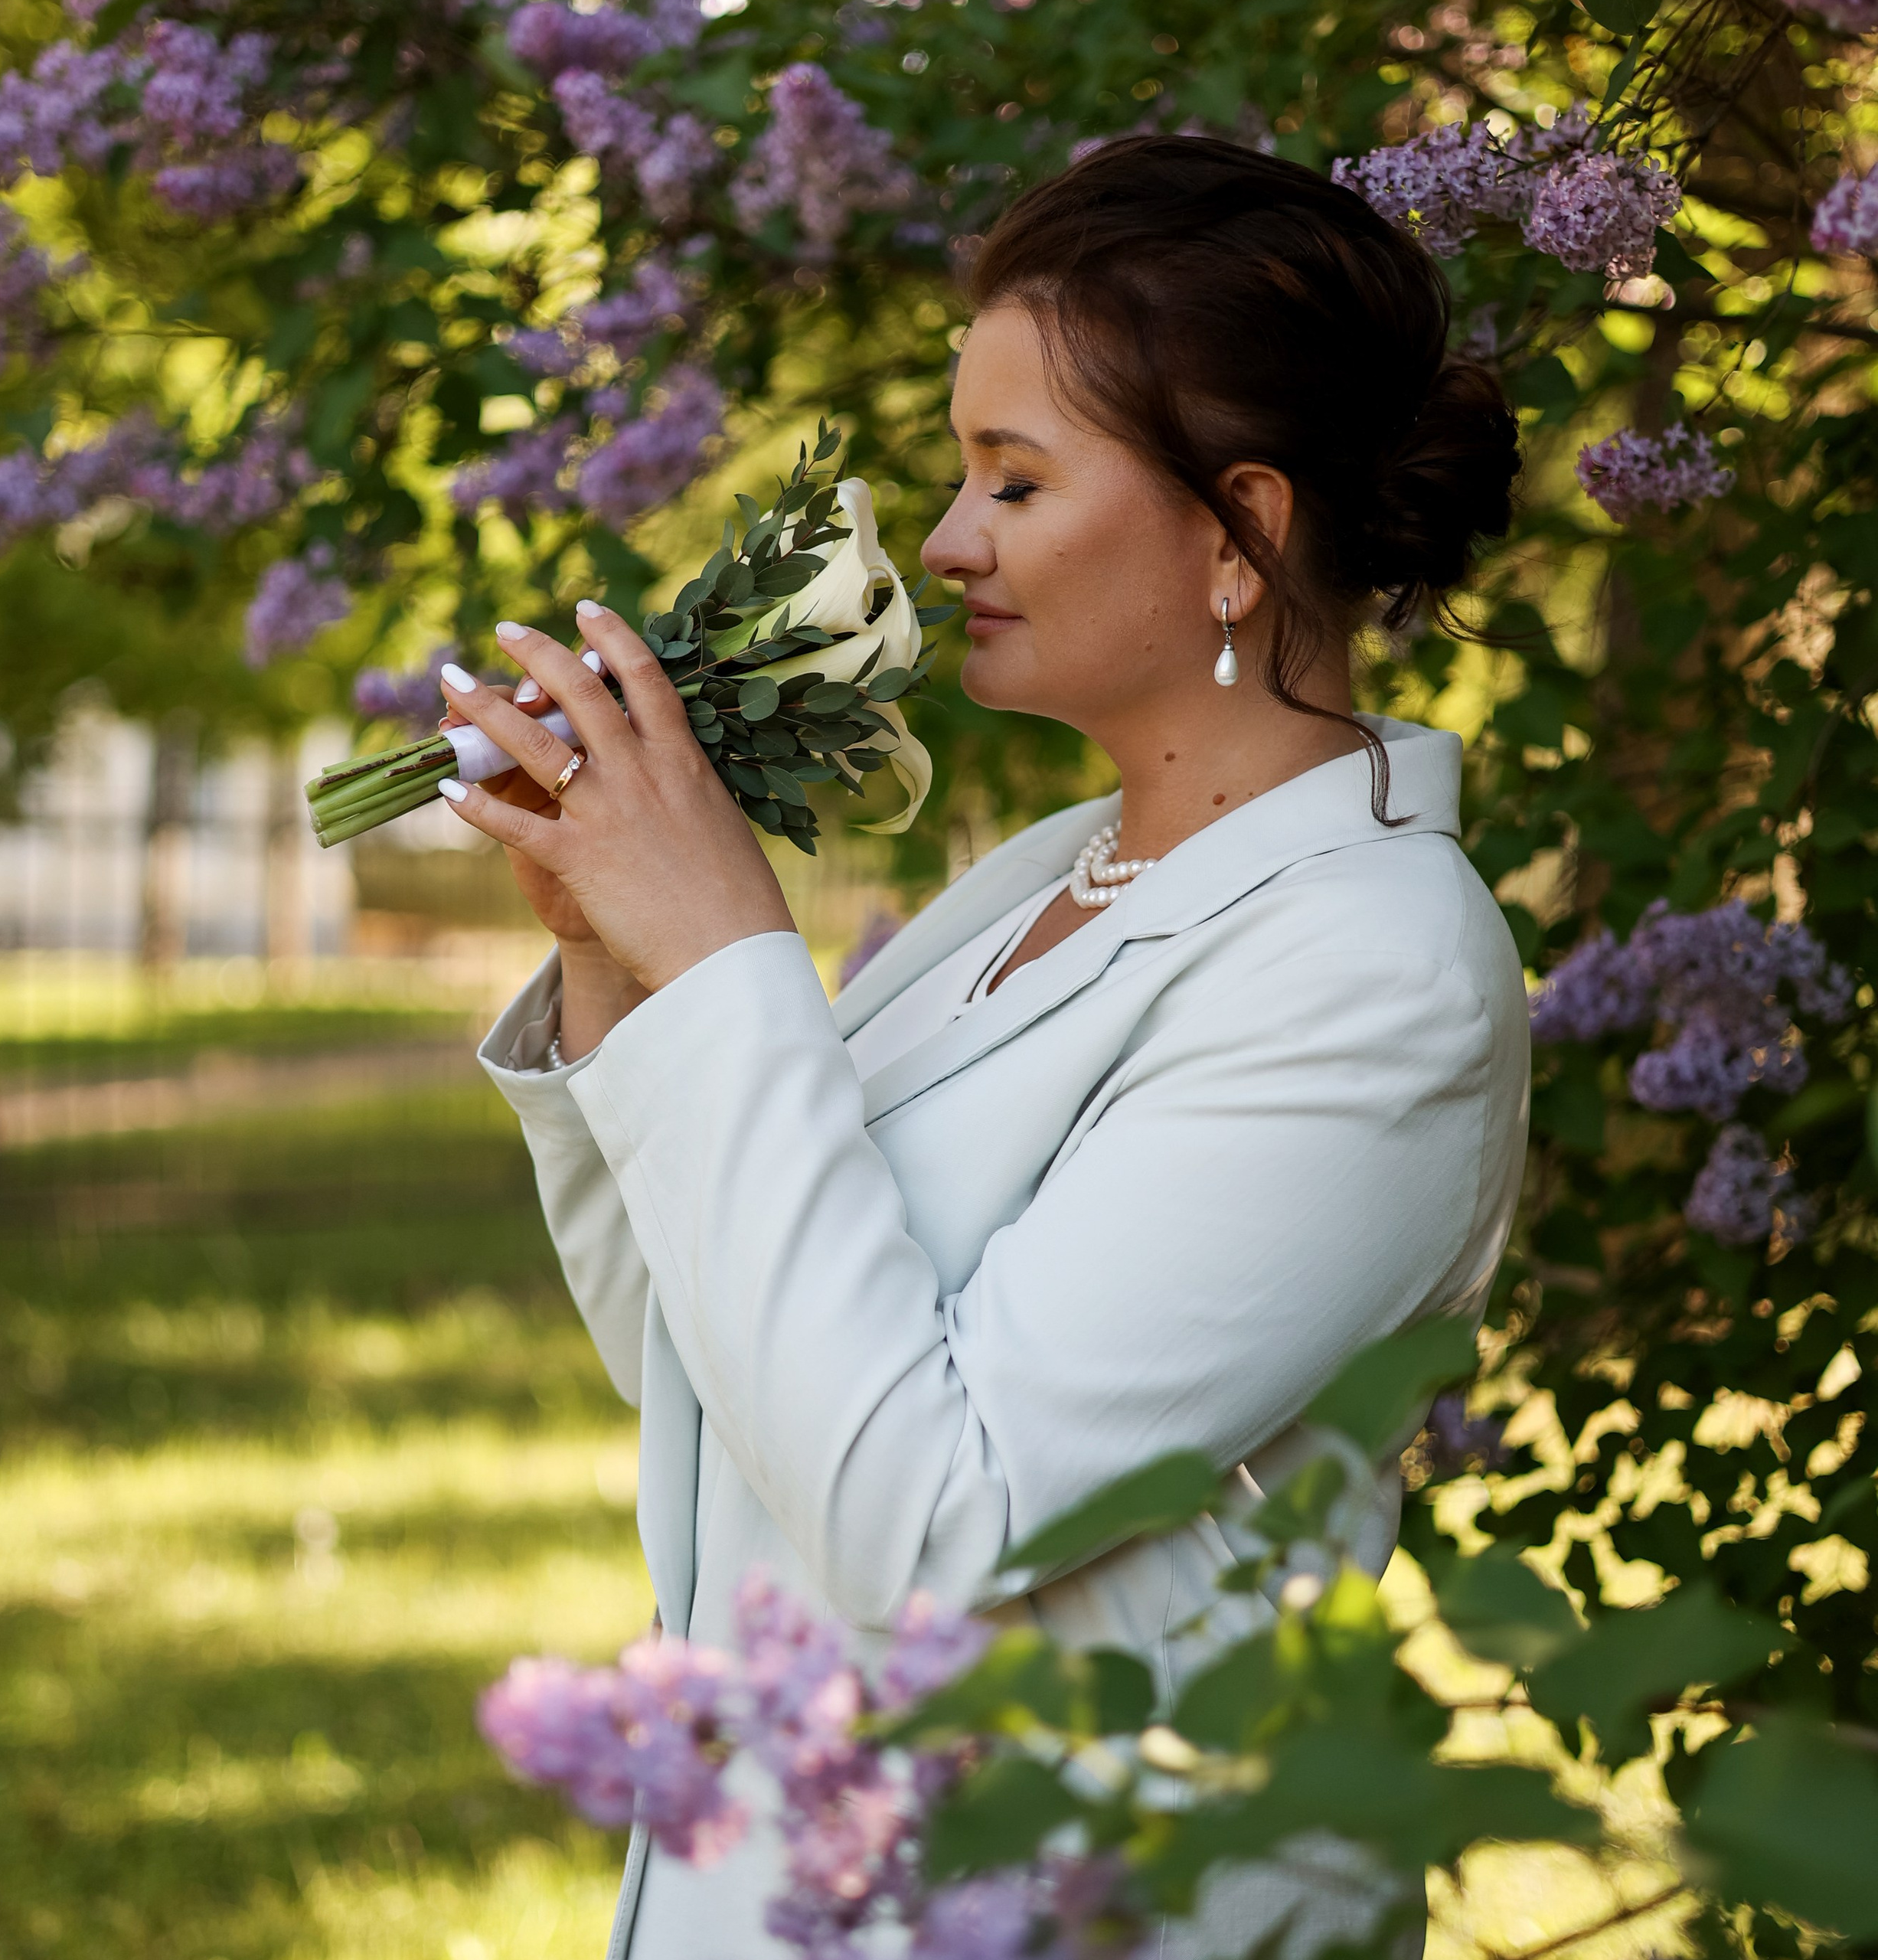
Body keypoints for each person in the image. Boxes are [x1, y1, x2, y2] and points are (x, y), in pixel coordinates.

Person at [435, 133, 1530, 1960]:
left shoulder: (1376, 970)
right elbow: (718, 1380)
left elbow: (932, 1523)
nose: (943, 540)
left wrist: (727, 957)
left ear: (1233, 535)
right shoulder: (1043, 876)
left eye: (1010, 481)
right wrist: (622, 969)